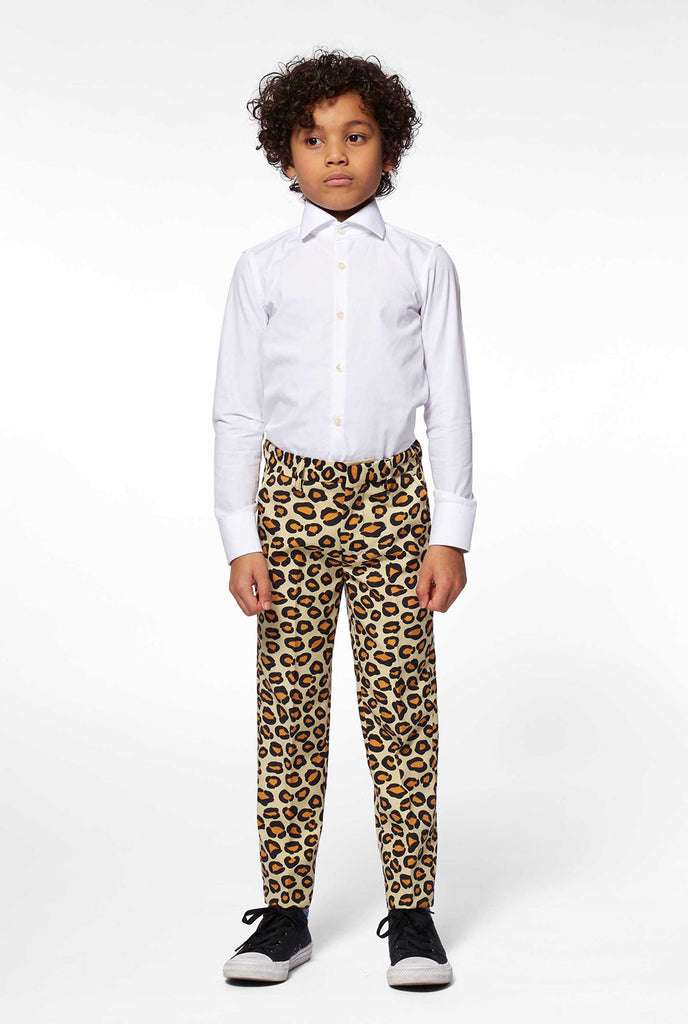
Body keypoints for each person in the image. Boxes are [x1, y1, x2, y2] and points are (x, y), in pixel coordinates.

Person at [212, 48, 477, 989]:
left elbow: (449, 404)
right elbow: (237, 410)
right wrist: (240, 537)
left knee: (402, 707)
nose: (335, 154)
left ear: (387, 149)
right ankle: (284, 916)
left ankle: (414, 915)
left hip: (394, 503)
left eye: (355, 135)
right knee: (288, 705)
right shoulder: (261, 270)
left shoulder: (422, 265)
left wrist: (452, 529)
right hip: (289, 503)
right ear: (285, 156)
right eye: (313, 137)